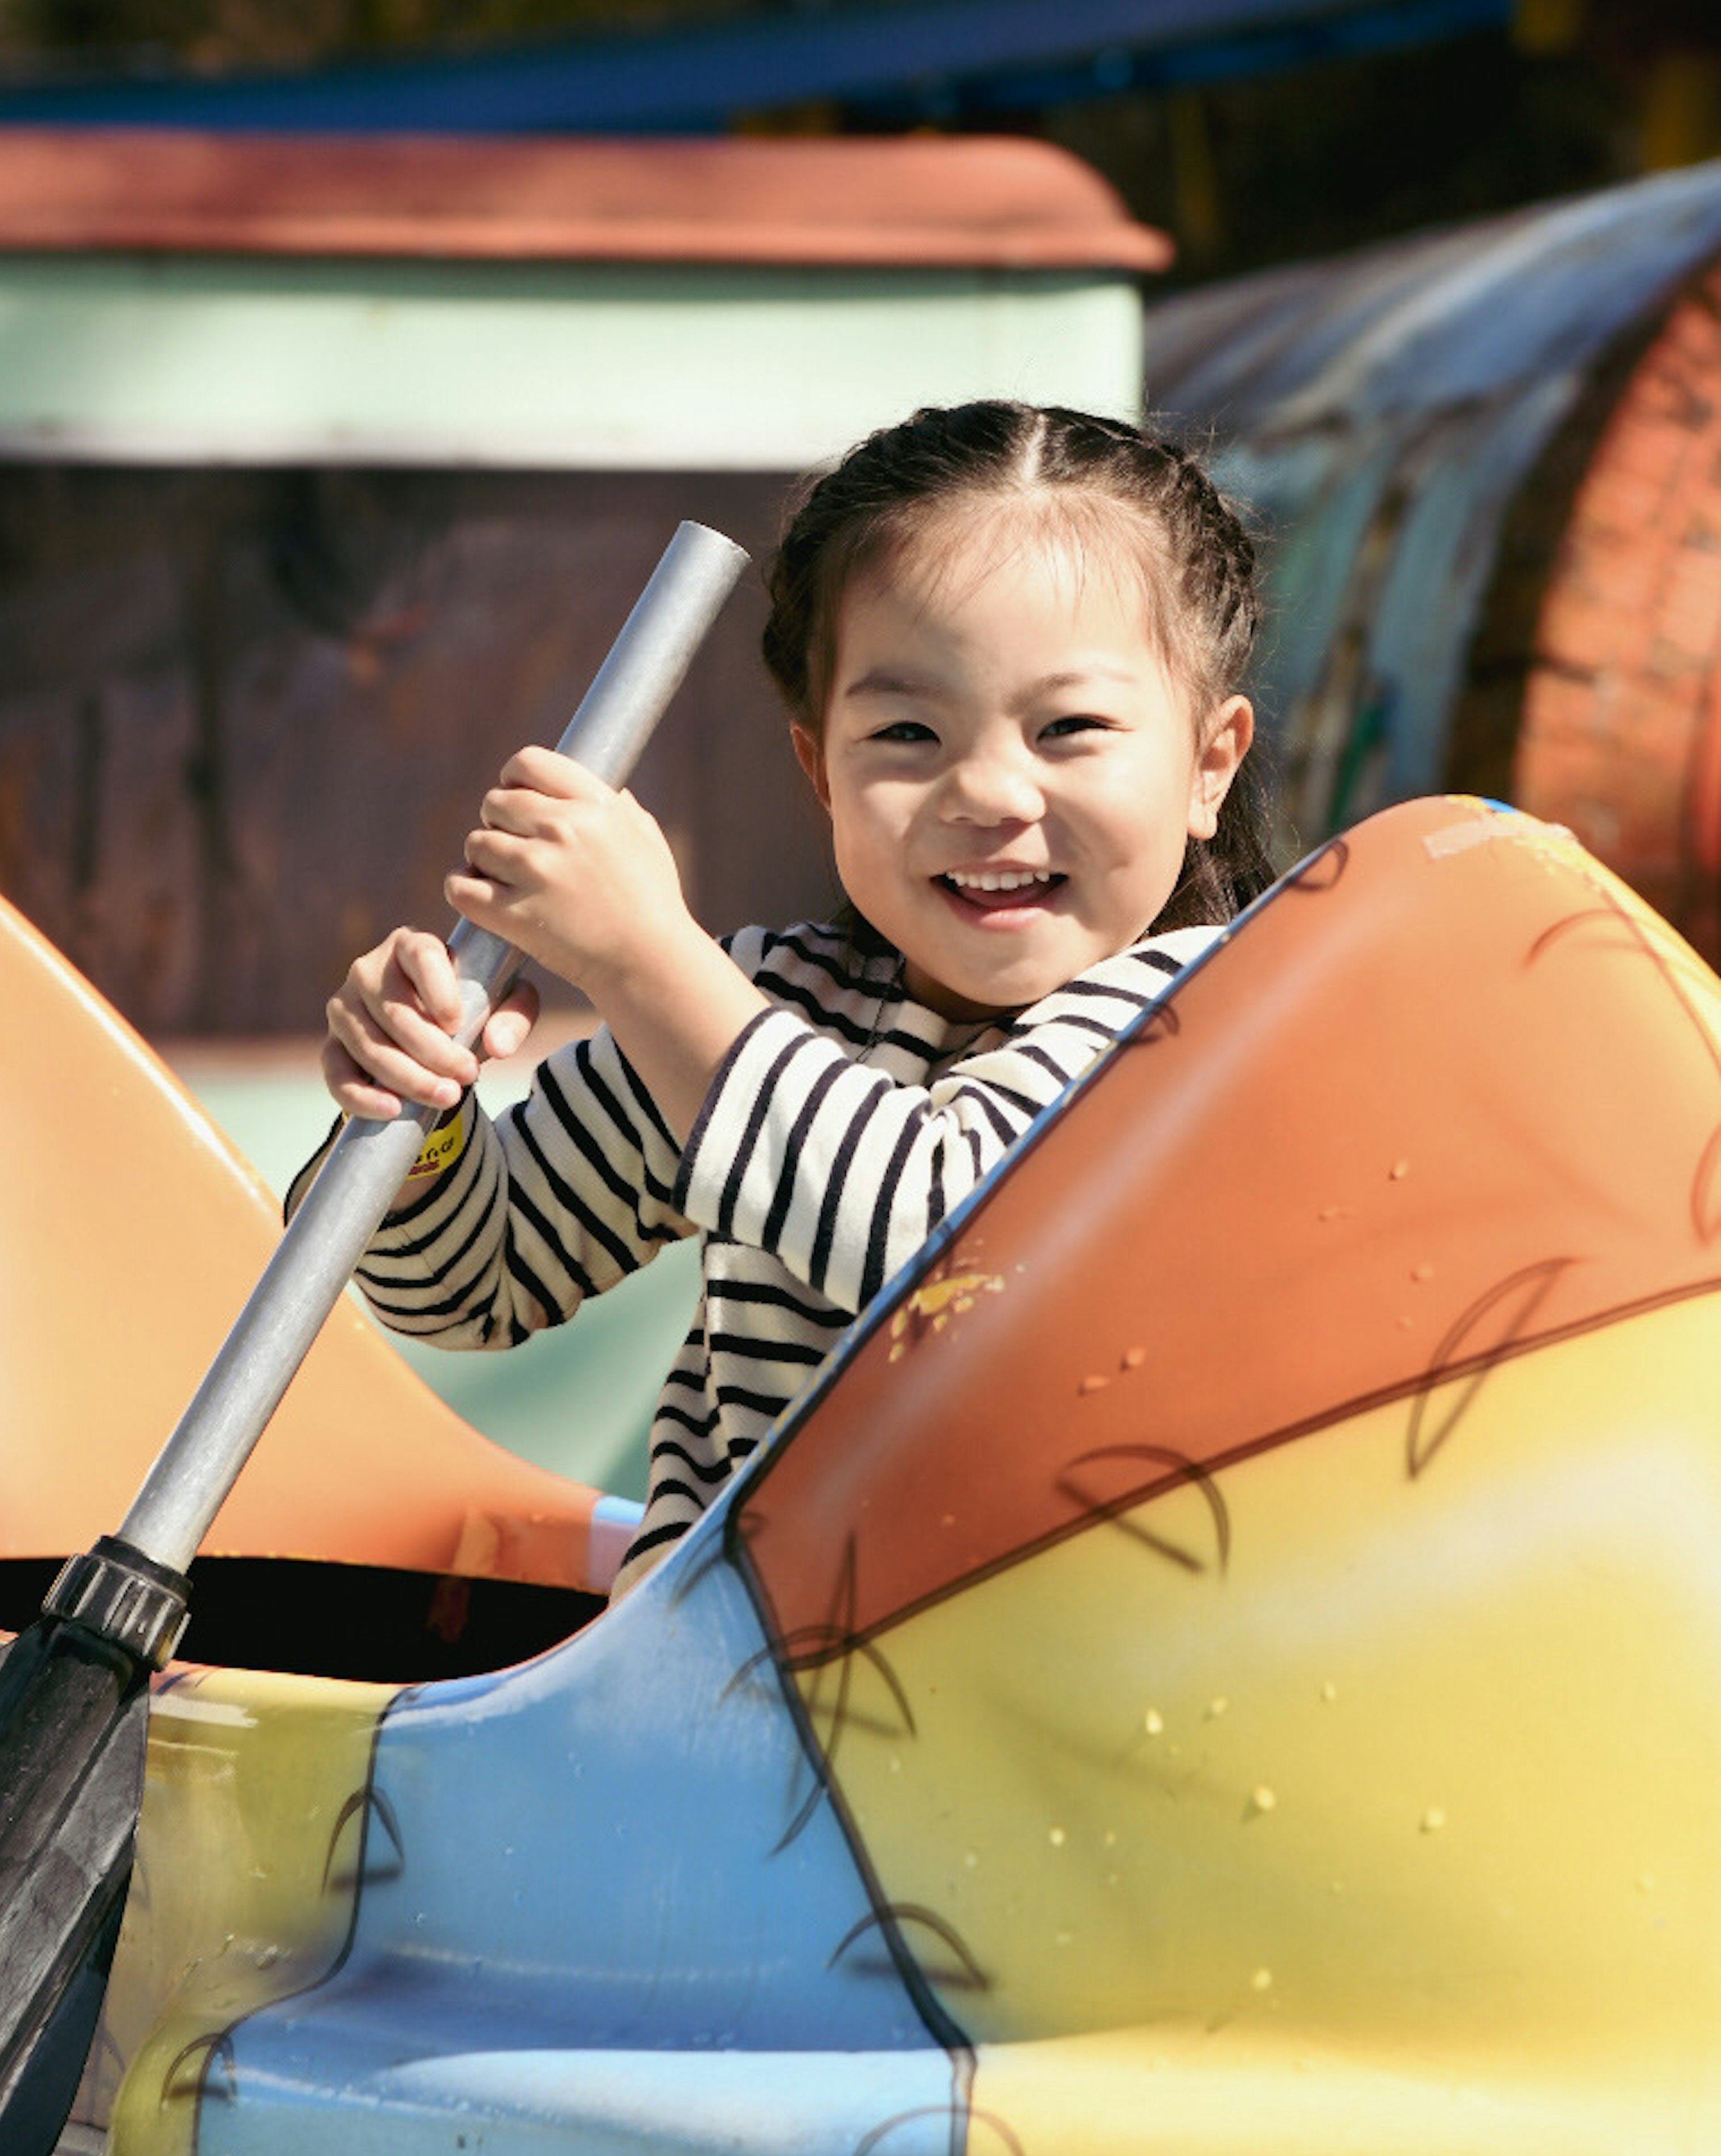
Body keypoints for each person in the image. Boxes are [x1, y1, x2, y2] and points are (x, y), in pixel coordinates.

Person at [317, 399, 1275, 1598]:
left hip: (1016, 1734)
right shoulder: (771, 1002)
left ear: (1207, 764)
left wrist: (643, 958)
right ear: (820, 768)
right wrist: (413, 1116)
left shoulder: (1214, 1023)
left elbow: (952, 1250)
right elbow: (469, 1285)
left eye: (1069, 728)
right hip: (716, 1709)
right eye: (909, 732)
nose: (987, 790)